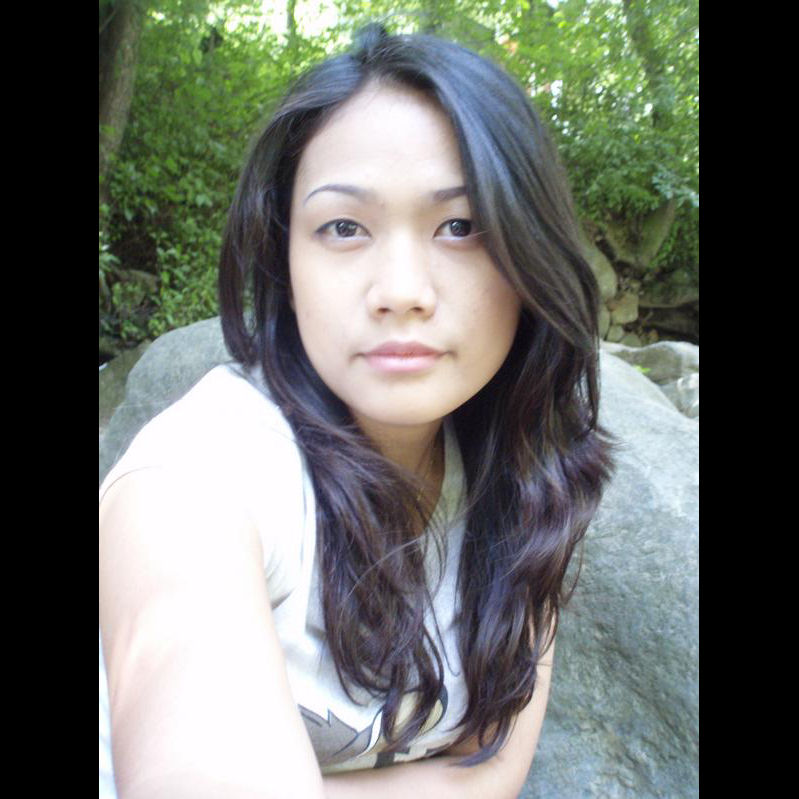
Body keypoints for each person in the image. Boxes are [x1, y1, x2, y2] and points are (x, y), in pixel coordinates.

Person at [99, 23, 614, 799]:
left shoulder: (520, 467)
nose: (400, 290)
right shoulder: (192, 484)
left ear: (529, 253)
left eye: (460, 226)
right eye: (343, 228)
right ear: (284, 261)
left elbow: (491, 769)